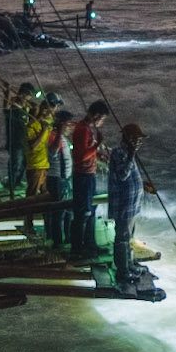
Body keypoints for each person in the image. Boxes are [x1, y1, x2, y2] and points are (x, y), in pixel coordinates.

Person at [107, 121, 154, 291]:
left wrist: (143, 185)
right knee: (122, 238)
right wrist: (131, 154)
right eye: (136, 140)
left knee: (129, 237)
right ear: (129, 139)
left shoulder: (127, 153)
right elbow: (122, 175)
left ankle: (129, 264)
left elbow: (131, 175)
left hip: (132, 204)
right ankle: (123, 271)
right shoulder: (119, 153)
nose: (138, 143)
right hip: (123, 204)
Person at [69, 98, 110, 256]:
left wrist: (98, 155)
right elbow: (80, 156)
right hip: (83, 176)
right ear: (96, 115)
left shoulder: (88, 128)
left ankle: (90, 244)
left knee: (91, 210)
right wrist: (97, 145)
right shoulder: (82, 129)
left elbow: (87, 151)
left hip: (89, 175)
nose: (102, 122)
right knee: (83, 212)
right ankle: (78, 248)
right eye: (102, 119)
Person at [23, 94, 53, 236]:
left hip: (44, 166)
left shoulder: (43, 124)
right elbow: (33, 146)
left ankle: (47, 225)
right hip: (35, 167)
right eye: (44, 110)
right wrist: (44, 131)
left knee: (45, 196)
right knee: (32, 197)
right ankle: (28, 224)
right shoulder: (31, 127)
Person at [46, 110, 74, 247]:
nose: (70, 127)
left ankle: (67, 237)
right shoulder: (53, 136)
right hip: (56, 179)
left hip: (65, 179)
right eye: (68, 124)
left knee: (67, 211)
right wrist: (59, 133)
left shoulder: (64, 138)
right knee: (58, 212)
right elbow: (52, 152)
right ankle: (57, 242)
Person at [5, 83, 36, 194]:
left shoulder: (25, 108)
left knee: (24, 164)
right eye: (29, 96)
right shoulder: (13, 109)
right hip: (15, 142)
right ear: (23, 95)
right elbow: (5, 109)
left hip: (24, 142)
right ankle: (11, 185)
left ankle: (17, 182)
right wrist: (7, 93)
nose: (30, 99)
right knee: (16, 164)